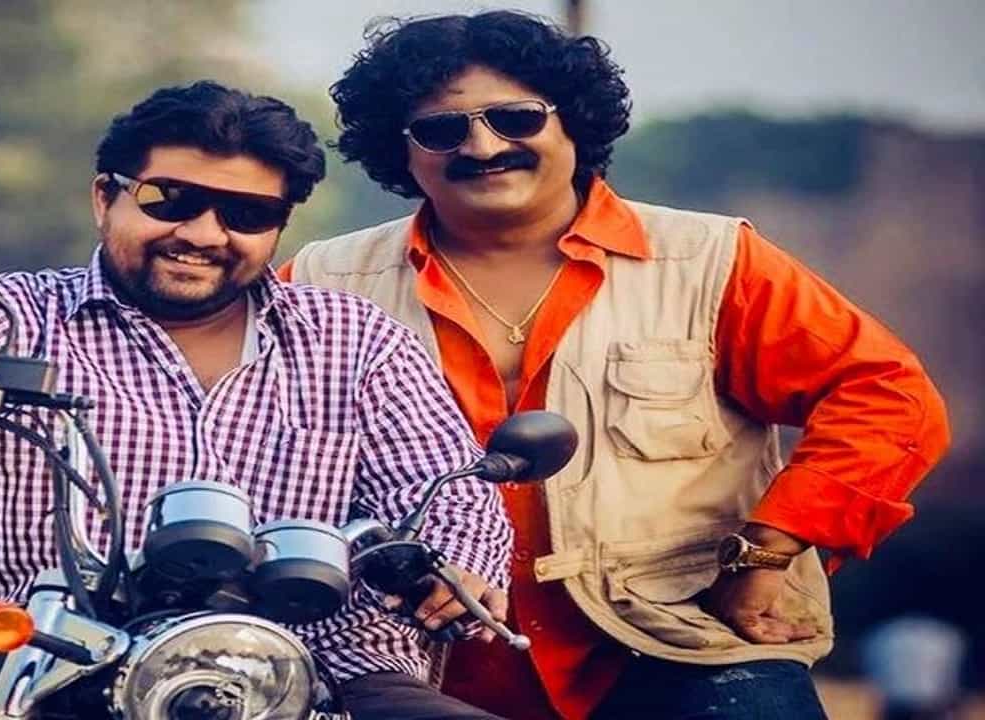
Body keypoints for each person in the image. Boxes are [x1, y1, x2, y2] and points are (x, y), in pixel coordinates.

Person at [281, 10, 951, 720]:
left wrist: (767, 548)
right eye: (442, 129)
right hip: (408, 666)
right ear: (401, 147)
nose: (483, 145)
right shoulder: (322, 282)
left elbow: (890, 398)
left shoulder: (708, 261)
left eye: (516, 118)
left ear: (573, 121)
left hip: (686, 645)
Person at [0, 81, 515, 719]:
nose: (202, 234)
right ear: (106, 197)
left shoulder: (354, 337)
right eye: (171, 200)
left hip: (322, 671)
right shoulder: (15, 313)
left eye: (246, 214)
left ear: (278, 228)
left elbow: (446, 487)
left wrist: (457, 566)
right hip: (49, 668)